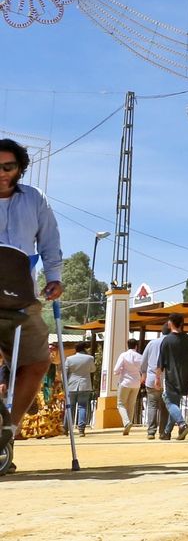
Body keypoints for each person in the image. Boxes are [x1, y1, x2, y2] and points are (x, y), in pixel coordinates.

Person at [0, 138, 64, 469]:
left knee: (38, 361)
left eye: (7, 167)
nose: (0, 173)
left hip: (21, 297)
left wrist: (54, 277)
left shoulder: (35, 200)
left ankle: (6, 430)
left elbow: (50, 241)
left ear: (19, 169)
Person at [157, 313, 188, 440]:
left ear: (170, 323)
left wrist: (157, 379)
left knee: (169, 402)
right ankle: (167, 432)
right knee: (175, 404)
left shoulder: (167, 341)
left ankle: (182, 424)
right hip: (185, 377)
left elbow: (160, 363)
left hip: (171, 377)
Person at [62, 340, 97, 437]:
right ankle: (81, 429)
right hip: (85, 385)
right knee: (82, 407)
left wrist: (64, 384)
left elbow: (64, 373)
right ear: (84, 349)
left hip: (71, 385)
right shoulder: (89, 358)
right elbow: (93, 369)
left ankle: (66, 428)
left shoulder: (69, 359)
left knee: (70, 407)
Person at [141, 320, 169, 439]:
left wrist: (143, 374)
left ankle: (151, 431)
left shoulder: (152, 343)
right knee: (164, 407)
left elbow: (143, 361)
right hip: (166, 379)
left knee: (152, 405)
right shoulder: (171, 343)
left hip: (151, 378)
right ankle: (163, 431)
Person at [111, 338, 144, 435]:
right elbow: (143, 370)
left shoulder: (123, 355)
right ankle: (128, 425)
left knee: (121, 404)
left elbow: (116, 370)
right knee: (131, 404)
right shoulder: (140, 356)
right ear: (136, 346)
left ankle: (126, 422)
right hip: (136, 383)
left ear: (127, 346)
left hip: (125, 382)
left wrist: (120, 371)